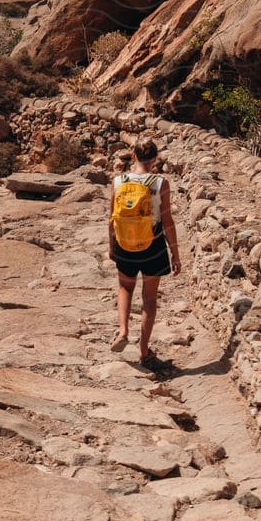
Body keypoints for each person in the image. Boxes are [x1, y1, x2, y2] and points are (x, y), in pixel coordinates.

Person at [109, 137, 181, 369]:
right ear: (155, 159)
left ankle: (122, 331)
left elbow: (111, 219)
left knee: (125, 287)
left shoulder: (119, 181)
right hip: (153, 246)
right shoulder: (160, 183)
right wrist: (175, 254)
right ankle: (143, 350)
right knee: (149, 298)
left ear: (134, 155)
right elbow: (168, 220)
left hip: (124, 245)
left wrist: (112, 246)